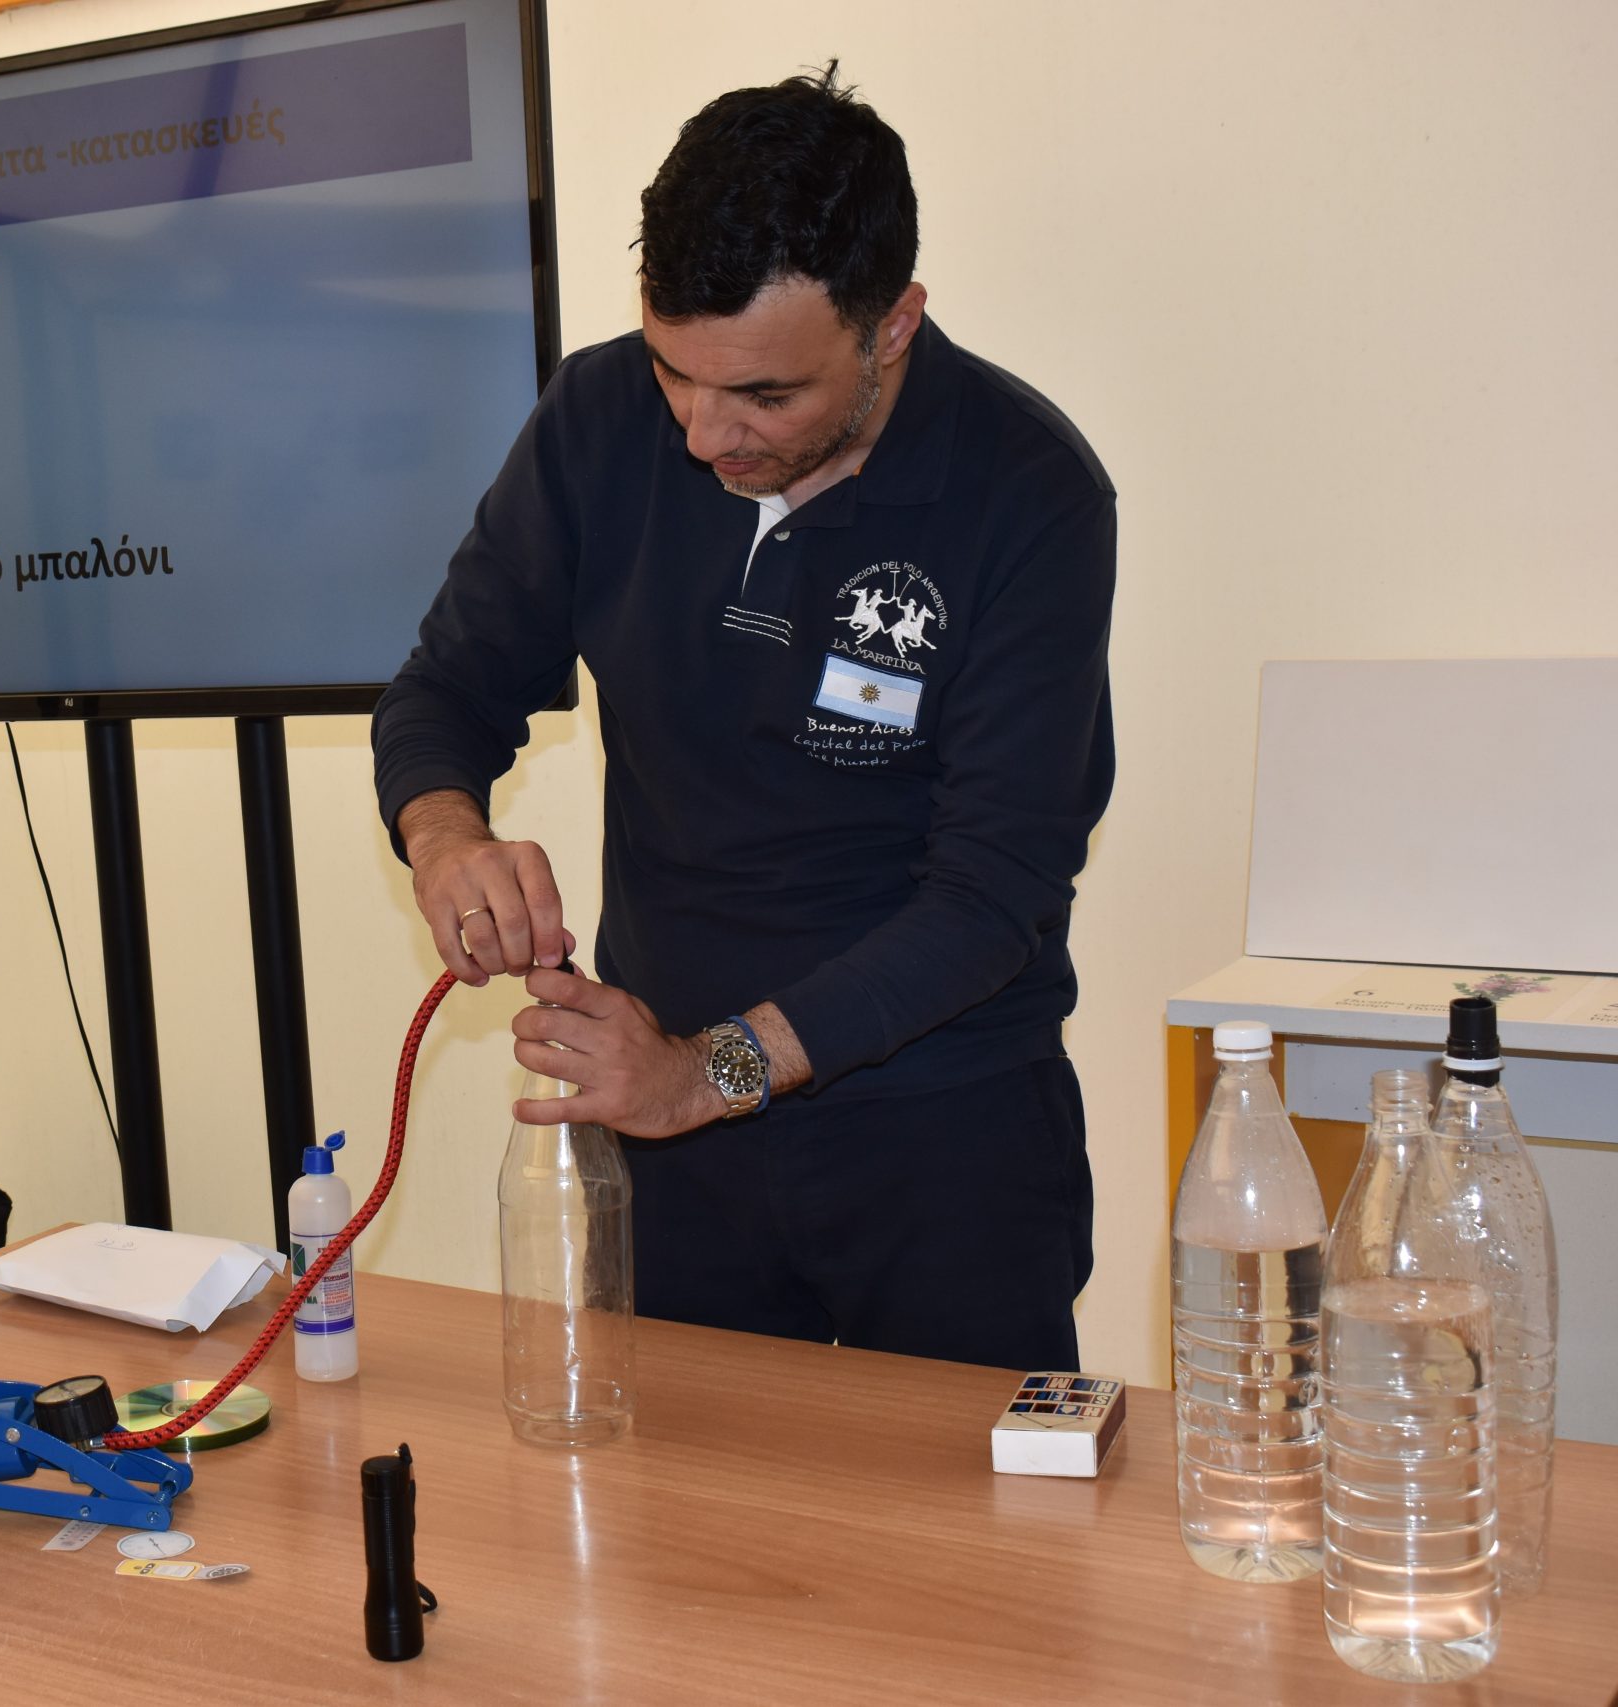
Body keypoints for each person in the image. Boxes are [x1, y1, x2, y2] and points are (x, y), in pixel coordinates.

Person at [372, 68, 1114, 1372]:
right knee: (675, 1495)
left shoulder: (1027, 491)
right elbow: (446, 688)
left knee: (961, 1507)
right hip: (672, 1146)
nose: (706, 434)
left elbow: (994, 891)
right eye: (677, 372)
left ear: (892, 327)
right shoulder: (599, 418)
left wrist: (704, 1072)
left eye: (766, 396)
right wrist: (445, 838)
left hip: (942, 1134)